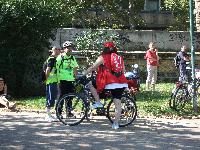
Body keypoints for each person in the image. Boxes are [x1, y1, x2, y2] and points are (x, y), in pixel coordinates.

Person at [83, 41, 128, 129]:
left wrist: (84, 73)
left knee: (90, 84)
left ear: (105, 49)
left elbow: (93, 67)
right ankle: (115, 124)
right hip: (121, 82)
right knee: (117, 104)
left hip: (110, 82)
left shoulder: (103, 57)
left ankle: (98, 102)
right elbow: (123, 71)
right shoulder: (119, 58)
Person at [56, 41, 79, 117]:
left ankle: (68, 112)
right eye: (68, 48)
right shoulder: (60, 57)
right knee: (61, 96)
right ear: (64, 49)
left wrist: (76, 78)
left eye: (71, 48)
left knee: (70, 97)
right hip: (62, 80)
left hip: (70, 80)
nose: (69, 49)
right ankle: (59, 113)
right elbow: (56, 68)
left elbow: (75, 68)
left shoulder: (72, 58)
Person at [44, 46, 61, 122]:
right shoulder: (51, 59)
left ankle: (50, 115)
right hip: (51, 81)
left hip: (54, 81)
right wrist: (46, 79)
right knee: (50, 98)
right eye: (59, 49)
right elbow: (48, 70)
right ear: (55, 50)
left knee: (54, 97)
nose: (60, 51)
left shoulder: (55, 59)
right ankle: (47, 115)